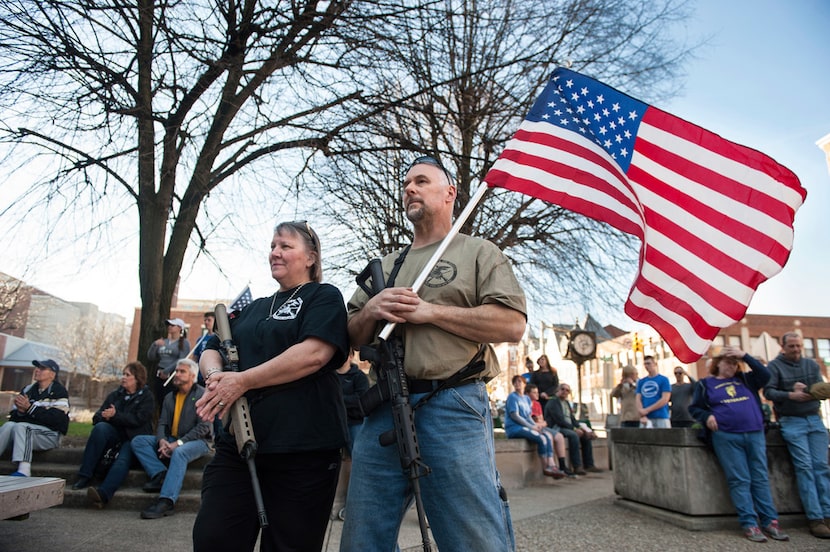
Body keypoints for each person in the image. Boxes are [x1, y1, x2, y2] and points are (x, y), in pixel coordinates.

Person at [340, 155, 527, 552]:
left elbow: (511, 324)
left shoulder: (478, 252)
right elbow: (351, 336)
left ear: (449, 194)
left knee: (473, 538)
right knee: (361, 539)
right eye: (406, 182)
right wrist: (373, 309)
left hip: (454, 406)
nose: (409, 188)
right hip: (383, 412)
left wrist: (430, 312)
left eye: (421, 181)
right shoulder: (387, 266)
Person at [192, 220, 349, 551]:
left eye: (286, 246)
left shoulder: (323, 297)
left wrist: (243, 381)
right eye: (273, 246)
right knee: (213, 537)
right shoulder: (252, 309)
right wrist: (215, 379)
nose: (275, 253)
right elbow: (210, 348)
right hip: (238, 447)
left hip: (303, 451)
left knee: (289, 544)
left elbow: (315, 354)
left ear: (311, 257)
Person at [689, 345, 789, 542]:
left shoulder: (746, 380)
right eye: (728, 362)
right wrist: (707, 416)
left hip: (754, 433)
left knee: (760, 477)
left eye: (735, 363)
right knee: (739, 480)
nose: (732, 366)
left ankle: (770, 521)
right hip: (726, 436)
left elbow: (765, 375)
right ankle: (749, 523)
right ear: (718, 364)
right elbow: (695, 408)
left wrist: (744, 356)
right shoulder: (705, 384)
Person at [764, 332, 830, 539]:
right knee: (805, 468)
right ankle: (815, 518)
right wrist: (790, 394)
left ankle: (828, 514)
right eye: (791, 346)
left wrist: (810, 390)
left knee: (822, 467)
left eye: (798, 346)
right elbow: (768, 392)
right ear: (782, 347)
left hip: (814, 419)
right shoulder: (774, 366)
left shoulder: (811, 365)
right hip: (792, 421)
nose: (796, 350)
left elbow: (821, 389)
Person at [132, 358, 211, 519]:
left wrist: (178, 443)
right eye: (177, 371)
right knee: (139, 441)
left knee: (180, 453)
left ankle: (166, 501)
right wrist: (162, 440)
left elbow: (203, 428)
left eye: (182, 371)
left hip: (199, 442)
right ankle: (160, 474)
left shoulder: (202, 394)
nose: (177, 374)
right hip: (172, 438)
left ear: (192, 376)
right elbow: (162, 423)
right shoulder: (169, 397)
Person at [71, 361, 154, 490]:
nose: (123, 377)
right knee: (100, 428)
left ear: (137, 378)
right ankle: (84, 476)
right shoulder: (115, 395)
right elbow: (97, 417)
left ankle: (103, 492)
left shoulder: (147, 397)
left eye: (127, 375)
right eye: (123, 374)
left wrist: (115, 416)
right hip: (115, 434)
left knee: (122, 460)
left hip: (133, 437)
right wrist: (105, 416)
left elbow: (139, 420)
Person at [0, 359, 69, 476]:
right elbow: (14, 417)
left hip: (50, 436)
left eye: (42, 368)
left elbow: (57, 420)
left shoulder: (59, 391)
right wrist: (21, 412)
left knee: (23, 427)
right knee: (8, 425)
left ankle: (24, 469)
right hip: (24, 433)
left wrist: (30, 409)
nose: (37, 370)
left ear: (52, 374)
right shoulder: (28, 390)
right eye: (37, 368)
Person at [505, 377, 565, 479]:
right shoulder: (512, 397)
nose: (517, 384)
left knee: (547, 435)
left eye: (519, 382)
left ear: (524, 384)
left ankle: (552, 464)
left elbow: (528, 416)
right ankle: (546, 467)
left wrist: (535, 425)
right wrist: (531, 427)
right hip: (515, 428)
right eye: (515, 382)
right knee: (541, 438)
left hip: (527, 426)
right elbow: (515, 415)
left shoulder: (526, 399)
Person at [544, 383, 602, 475]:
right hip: (557, 428)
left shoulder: (566, 403)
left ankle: (589, 464)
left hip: (568, 427)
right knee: (573, 435)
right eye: (563, 389)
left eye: (567, 390)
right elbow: (559, 420)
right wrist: (574, 429)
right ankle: (577, 466)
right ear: (557, 390)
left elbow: (572, 419)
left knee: (586, 435)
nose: (565, 392)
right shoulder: (553, 402)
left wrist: (580, 428)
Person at [527, 382, 571, 476]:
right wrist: (537, 422)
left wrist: (540, 423)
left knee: (559, 437)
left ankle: (562, 465)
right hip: (533, 427)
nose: (537, 394)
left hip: (541, 426)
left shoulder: (537, 404)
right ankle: (549, 465)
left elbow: (543, 420)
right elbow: (528, 420)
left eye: (537, 392)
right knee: (548, 436)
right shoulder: (525, 404)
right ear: (527, 394)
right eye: (534, 392)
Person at [147, 317, 191, 411]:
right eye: (168, 325)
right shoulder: (164, 342)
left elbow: (182, 360)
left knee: (171, 402)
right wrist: (154, 345)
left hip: (173, 376)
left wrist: (167, 371)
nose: (169, 327)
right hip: (159, 374)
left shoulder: (184, 343)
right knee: (160, 400)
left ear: (180, 328)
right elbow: (151, 357)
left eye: (172, 325)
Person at [336, 349, 369, 454]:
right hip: (334, 424)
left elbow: (361, 399)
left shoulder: (359, 377)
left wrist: (338, 400)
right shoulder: (329, 378)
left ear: (351, 356)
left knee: (357, 454)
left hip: (355, 423)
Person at [636, 355, 671, 428]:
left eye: (649, 363)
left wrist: (647, 410)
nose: (646, 366)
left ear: (655, 364)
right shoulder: (641, 382)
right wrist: (641, 411)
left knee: (664, 438)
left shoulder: (664, 380)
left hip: (661, 416)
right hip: (646, 418)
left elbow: (665, 399)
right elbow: (638, 398)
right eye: (645, 364)